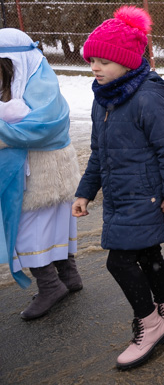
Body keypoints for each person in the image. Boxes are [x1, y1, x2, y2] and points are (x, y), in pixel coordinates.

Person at [72, 7, 164, 370]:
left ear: (126, 61)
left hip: (144, 196)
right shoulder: (103, 97)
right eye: (92, 60)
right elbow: (98, 152)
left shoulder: (146, 98)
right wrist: (85, 191)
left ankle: (151, 324)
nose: (95, 68)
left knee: (119, 261)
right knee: (148, 255)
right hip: (120, 197)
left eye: (104, 61)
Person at [0, 29, 82, 321]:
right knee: (52, 226)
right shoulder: (22, 81)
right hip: (41, 171)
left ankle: (51, 286)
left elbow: (43, 126)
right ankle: (68, 277)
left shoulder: (40, 83)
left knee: (29, 231)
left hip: (42, 173)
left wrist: (4, 128)